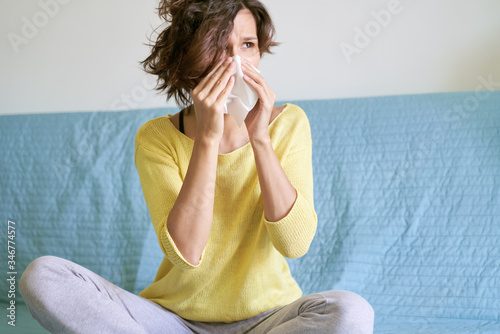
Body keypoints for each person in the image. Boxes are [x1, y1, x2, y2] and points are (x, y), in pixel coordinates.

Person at [19, 0, 374, 333]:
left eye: (247, 45)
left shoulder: (290, 123)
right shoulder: (157, 137)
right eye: (220, 47)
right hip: (172, 321)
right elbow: (187, 253)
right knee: (42, 276)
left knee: (352, 312)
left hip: (267, 320)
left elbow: (295, 242)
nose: (236, 62)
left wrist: (260, 138)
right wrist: (206, 138)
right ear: (193, 58)